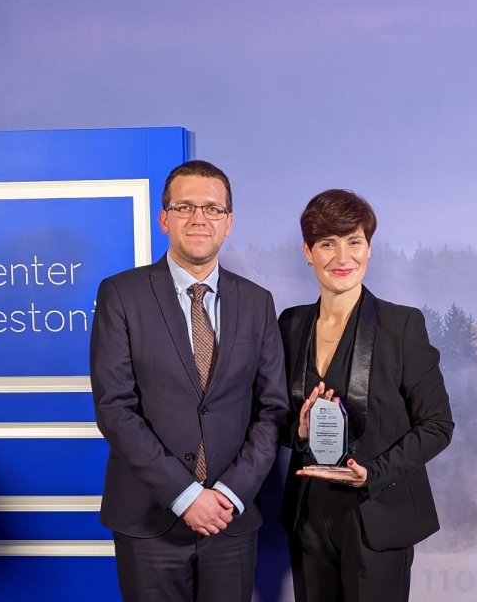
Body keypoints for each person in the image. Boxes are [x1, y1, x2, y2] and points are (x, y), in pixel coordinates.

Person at [90, 160, 289, 602]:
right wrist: (184, 495)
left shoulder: (257, 302)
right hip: (148, 518)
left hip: (230, 518)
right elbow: (115, 408)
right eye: (185, 207)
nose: (199, 218)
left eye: (212, 209)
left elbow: (272, 409)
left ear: (228, 222)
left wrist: (229, 494)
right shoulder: (121, 294)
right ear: (164, 219)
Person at [278, 189, 454, 602]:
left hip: (378, 514)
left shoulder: (402, 325)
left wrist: (372, 473)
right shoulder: (290, 325)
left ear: (369, 248)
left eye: (354, 242)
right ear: (307, 252)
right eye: (327, 244)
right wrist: (297, 431)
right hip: (309, 515)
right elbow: (272, 417)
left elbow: (438, 426)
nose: (343, 257)